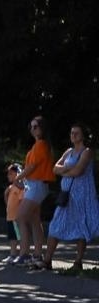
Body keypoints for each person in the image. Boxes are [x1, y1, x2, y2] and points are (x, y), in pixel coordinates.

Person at [43, 123, 96, 274]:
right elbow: (54, 168)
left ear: (83, 135)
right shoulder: (69, 152)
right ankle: (47, 260)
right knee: (55, 225)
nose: (73, 135)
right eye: (72, 133)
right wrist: (67, 169)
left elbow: (78, 171)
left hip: (82, 196)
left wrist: (64, 171)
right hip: (67, 194)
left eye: (77, 133)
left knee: (81, 226)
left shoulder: (87, 152)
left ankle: (78, 261)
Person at [9, 116, 55, 265]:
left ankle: (25, 254)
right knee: (35, 220)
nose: (32, 129)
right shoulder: (39, 145)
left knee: (20, 217)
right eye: (31, 126)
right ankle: (37, 255)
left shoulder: (41, 144)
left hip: (36, 185)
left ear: (43, 128)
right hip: (35, 185)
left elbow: (32, 167)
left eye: (36, 126)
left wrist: (18, 178)